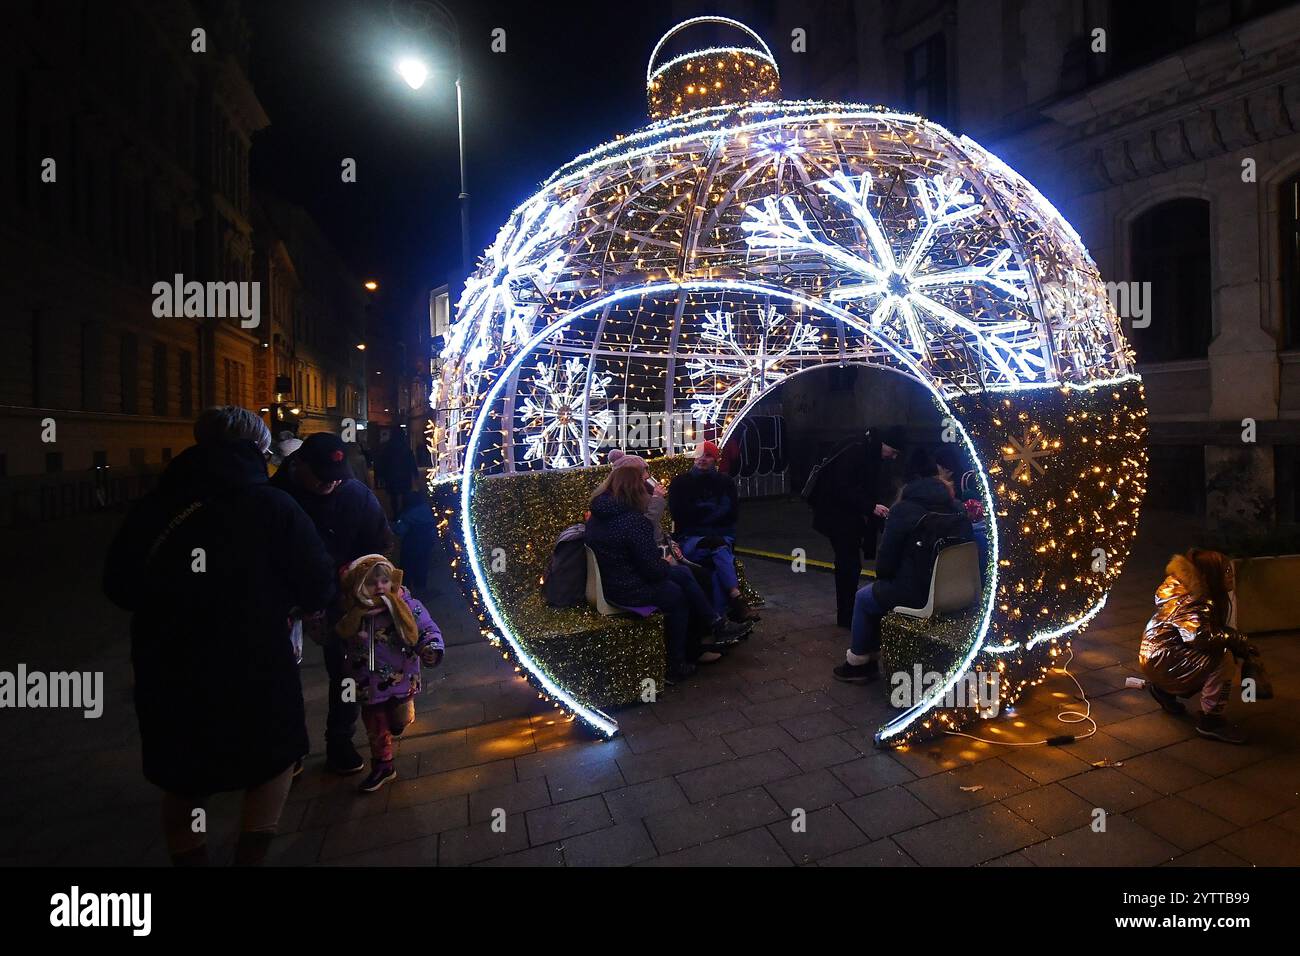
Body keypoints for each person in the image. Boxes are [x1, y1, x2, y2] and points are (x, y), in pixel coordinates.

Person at [103, 407, 336, 865]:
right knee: (271, 759)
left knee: (184, 772)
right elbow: (317, 583)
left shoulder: (156, 505)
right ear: (256, 449)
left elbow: (119, 585)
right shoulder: (271, 505)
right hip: (253, 657)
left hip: (166, 660)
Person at [271, 432, 392, 775]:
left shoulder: (353, 494)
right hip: (289, 604)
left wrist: (361, 573)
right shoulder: (276, 497)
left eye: (336, 478)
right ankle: (289, 752)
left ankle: (340, 740)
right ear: (300, 465)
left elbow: (381, 543)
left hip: (342, 600)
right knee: (282, 676)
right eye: (322, 476)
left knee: (346, 672)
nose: (330, 484)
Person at [586, 456, 752, 683]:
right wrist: (665, 562)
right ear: (636, 490)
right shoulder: (632, 521)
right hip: (628, 587)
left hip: (617, 577)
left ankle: (715, 624)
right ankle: (677, 663)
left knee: (685, 573)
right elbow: (653, 571)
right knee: (677, 594)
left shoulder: (601, 511)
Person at [832, 452, 972, 683]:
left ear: (907, 481)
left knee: (865, 598)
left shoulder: (903, 510)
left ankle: (857, 663)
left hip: (917, 594)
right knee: (881, 592)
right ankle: (870, 655)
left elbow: (884, 568)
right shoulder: (957, 507)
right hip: (956, 590)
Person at [335, 554, 443, 791]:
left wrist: (430, 647)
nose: (379, 587)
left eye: (384, 580)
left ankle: (400, 721)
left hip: (401, 679)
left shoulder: (406, 606)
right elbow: (337, 633)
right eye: (371, 583)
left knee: (400, 718)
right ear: (359, 586)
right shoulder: (353, 612)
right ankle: (383, 765)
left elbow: (426, 628)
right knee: (376, 726)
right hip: (367, 683)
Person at [1140, 549, 1258, 744]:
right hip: (1163, 661)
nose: (1231, 576)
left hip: (1159, 657)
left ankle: (1165, 690)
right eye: (1225, 571)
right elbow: (1200, 638)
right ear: (1208, 575)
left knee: (1218, 650)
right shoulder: (1195, 601)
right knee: (1223, 658)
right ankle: (1211, 721)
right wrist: (1234, 638)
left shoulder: (1185, 591)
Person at [809, 425, 906, 628]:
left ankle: (848, 613)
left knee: (850, 564)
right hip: (837, 516)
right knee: (848, 565)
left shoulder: (868, 450)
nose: (893, 457)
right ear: (884, 443)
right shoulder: (857, 450)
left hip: (846, 516)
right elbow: (842, 487)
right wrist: (871, 506)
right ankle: (846, 615)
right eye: (893, 451)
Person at [668, 440, 759, 621]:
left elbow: (730, 513)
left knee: (717, 565)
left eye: (708, 455)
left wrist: (701, 511)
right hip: (691, 538)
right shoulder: (681, 483)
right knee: (719, 548)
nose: (702, 459)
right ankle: (736, 599)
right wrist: (712, 511)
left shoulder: (725, 482)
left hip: (718, 536)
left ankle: (718, 621)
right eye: (700, 455)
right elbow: (681, 515)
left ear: (715, 459)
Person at [394, 485, 438, 590]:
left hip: (410, 545)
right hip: (426, 543)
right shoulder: (427, 511)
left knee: (407, 565)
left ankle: (406, 585)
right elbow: (433, 528)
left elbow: (399, 530)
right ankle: (421, 585)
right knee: (423, 564)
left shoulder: (407, 515)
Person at [376, 431, 419, 519]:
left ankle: (396, 514)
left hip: (392, 476)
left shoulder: (388, 448)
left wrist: (380, 476)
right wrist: (415, 474)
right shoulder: (405, 448)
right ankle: (404, 514)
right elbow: (412, 462)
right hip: (404, 476)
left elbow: (382, 463)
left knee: (393, 497)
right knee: (405, 496)